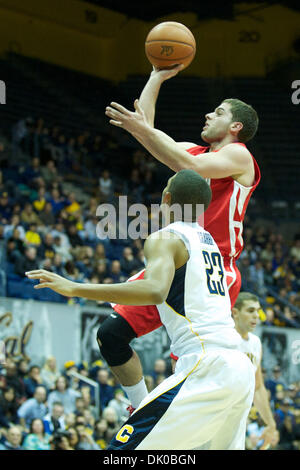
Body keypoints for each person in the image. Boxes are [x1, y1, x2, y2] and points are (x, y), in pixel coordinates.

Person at [26, 170, 255, 449]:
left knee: (120, 452)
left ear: (166, 198)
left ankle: (139, 406)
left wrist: (76, 288)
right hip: (240, 370)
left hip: (206, 365)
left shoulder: (165, 238)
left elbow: (155, 290)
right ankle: (141, 405)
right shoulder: (209, 244)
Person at [103, 69, 261, 408]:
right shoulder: (197, 153)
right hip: (177, 258)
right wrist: (156, 76)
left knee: (191, 366)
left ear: (236, 127)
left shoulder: (240, 155)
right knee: (111, 335)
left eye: (218, 112)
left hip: (212, 267)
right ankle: (139, 409)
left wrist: (143, 129)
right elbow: (150, 134)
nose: (208, 114)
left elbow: (182, 160)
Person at [232, 292, 280, 449]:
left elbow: (258, 387)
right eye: (250, 310)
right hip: (213, 416)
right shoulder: (223, 338)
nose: (256, 316)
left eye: (258, 311)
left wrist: (270, 424)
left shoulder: (255, 342)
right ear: (235, 313)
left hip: (237, 420)